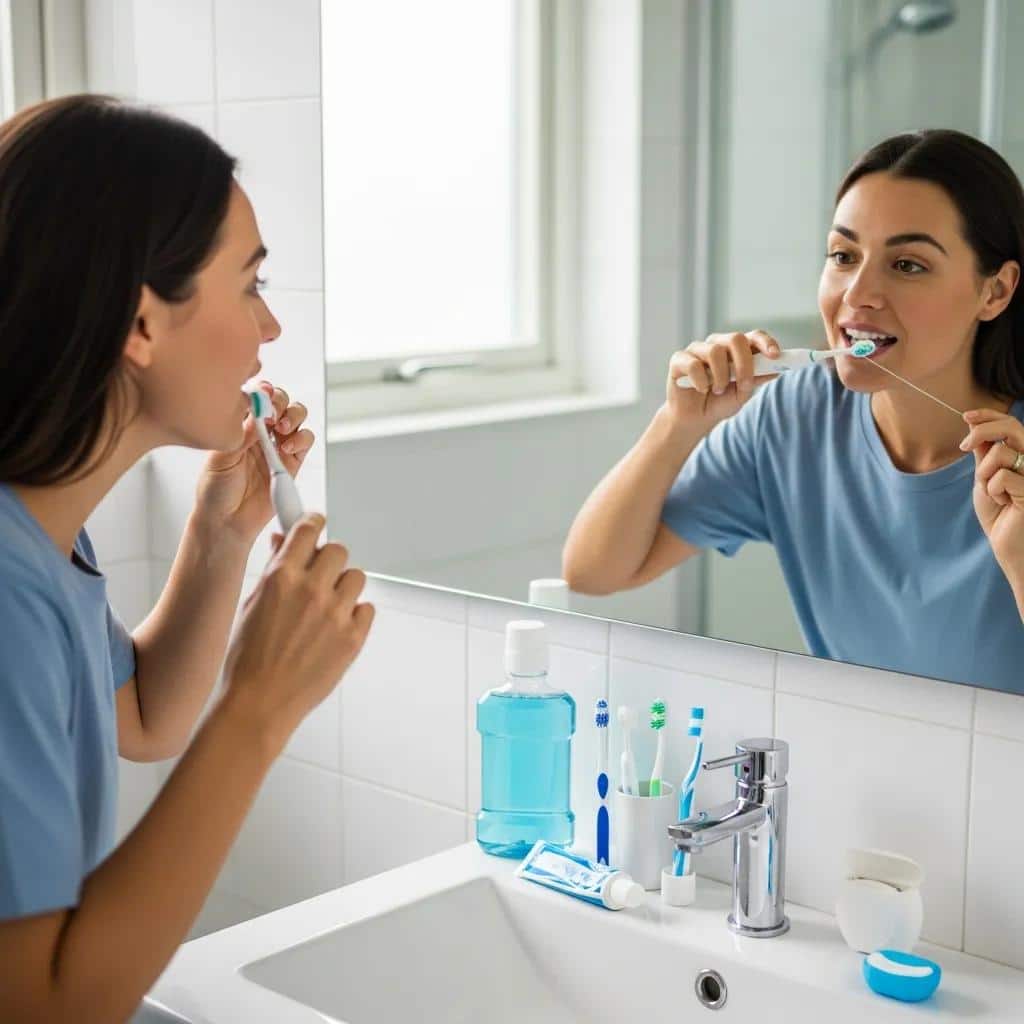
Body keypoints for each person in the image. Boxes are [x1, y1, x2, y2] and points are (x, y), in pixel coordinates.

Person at [0, 95, 375, 1022]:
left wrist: (222, 529)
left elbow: (143, 716)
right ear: (139, 325)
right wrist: (257, 707)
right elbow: (45, 1006)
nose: (270, 330)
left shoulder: (40, 527)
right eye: (250, 285)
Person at [564, 129, 1024, 692]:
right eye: (843, 255)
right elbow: (592, 571)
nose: (858, 293)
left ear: (995, 291)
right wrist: (678, 425)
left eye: (907, 265)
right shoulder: (794, 416)